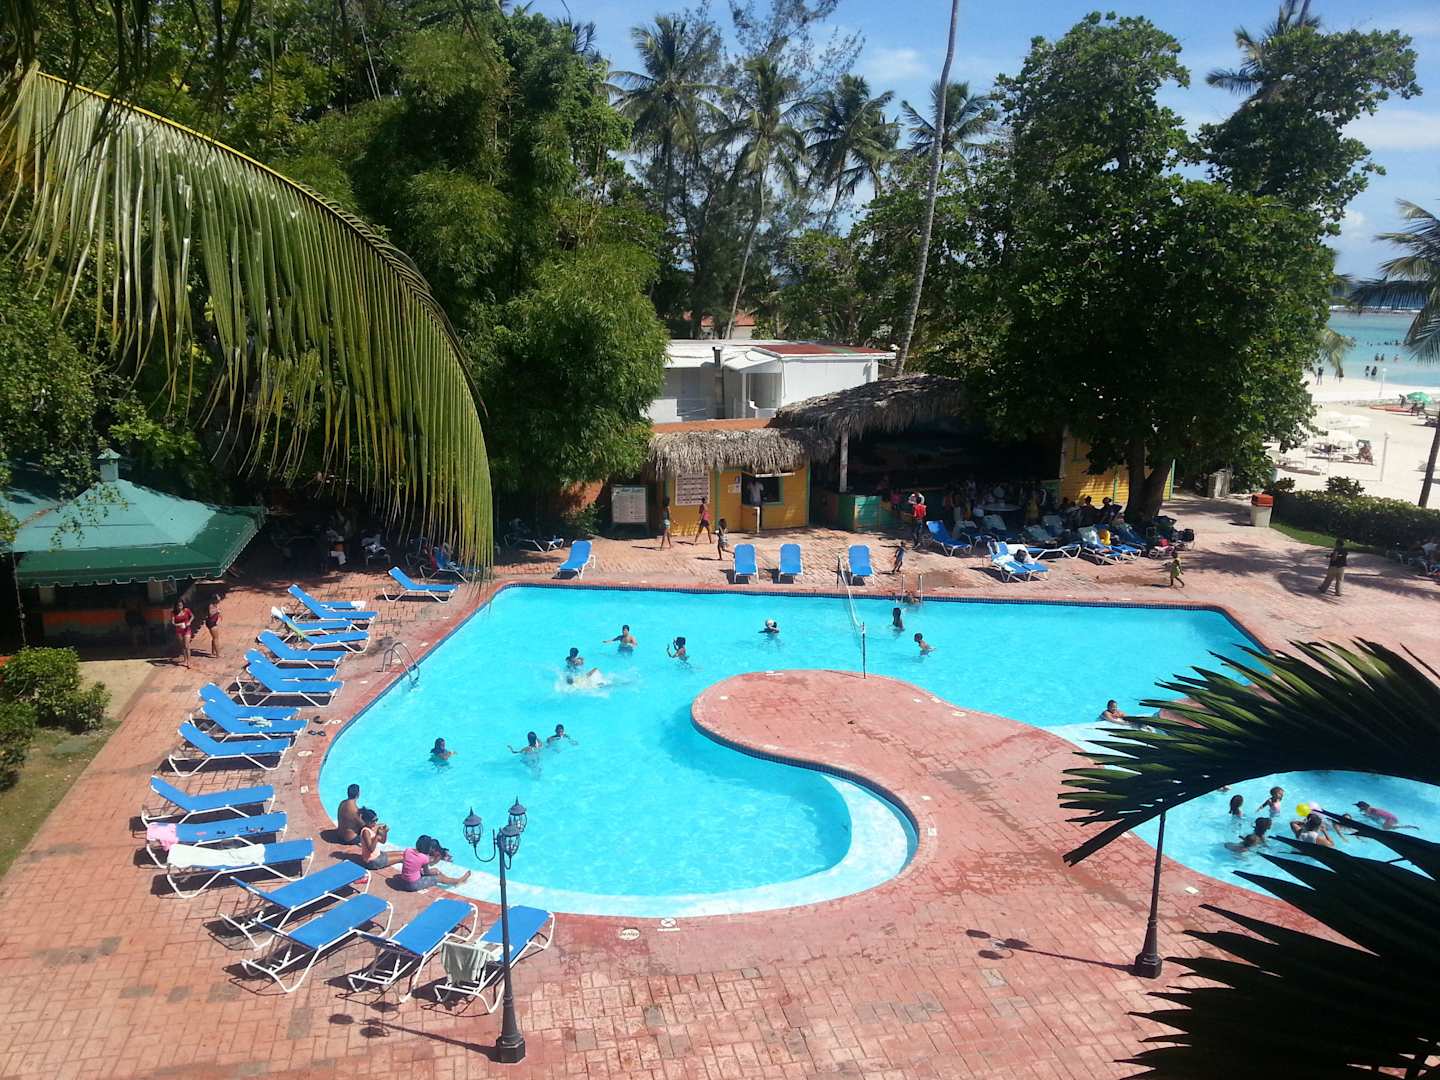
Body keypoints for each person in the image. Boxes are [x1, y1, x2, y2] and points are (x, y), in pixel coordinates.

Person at [397, 836, 471, 891]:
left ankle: (450, 879)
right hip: (412, 885)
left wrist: (434, 871)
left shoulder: (408, 850)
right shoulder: (424, 858)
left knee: (435, 870)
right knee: (439, 878)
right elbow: (427, 873)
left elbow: (413, 865)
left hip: (403, 881)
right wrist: (436, 873)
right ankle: (458, 881)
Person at [1355, 801, 1420, 830]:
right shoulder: (1370, 809)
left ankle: (1410, 826)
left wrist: (1366, 816)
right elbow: (1376, 817)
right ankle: (1408, 826)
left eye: (1359, 807)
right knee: (1380, 824)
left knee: (1385, 828)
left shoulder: (1369, 810)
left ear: (1363, 807)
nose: (1359, 808)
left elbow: (1375, 816)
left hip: (1391, 819)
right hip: (1391, 817)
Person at [171, 599, 194, 667]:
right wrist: (178, 624)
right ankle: (185, 659)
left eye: (181, 605)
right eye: (178, 606)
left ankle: (189, 661)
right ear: (176, 606)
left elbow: (192, 616)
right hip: (179, 630)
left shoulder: (186, 610)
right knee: (183, 646)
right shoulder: (173, 613)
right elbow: (173, 622)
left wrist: (189, 622)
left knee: (187, 645)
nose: (180, 607)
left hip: (187, 629)